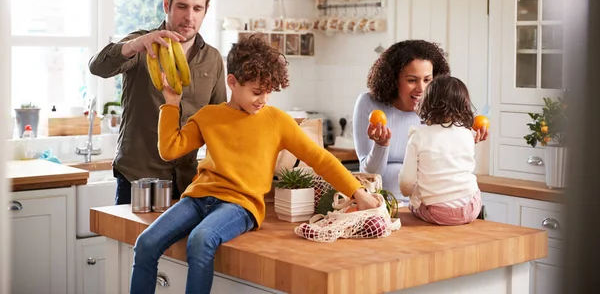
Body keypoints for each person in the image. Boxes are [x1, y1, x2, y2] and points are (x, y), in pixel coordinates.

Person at [130, 33, 380, 294]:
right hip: (198, 197)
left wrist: (357, 192)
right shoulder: (210, 116)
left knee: (200, 240)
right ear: (232, 82)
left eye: (269, 92)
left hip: (241, 205)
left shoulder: (276, 121)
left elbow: (320, 159)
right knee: (146, 243)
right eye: (257, 92)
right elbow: (169, 149)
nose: (263, 100)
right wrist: (171, 104)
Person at [88, 0, 226, 205]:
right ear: (166, 4)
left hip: (187, 184)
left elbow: (221, 122)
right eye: (182, 6)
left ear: (206, 10)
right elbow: (97, 67)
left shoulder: (212, 59)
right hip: (137, 180)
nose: (189, 16)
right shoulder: (142, 45)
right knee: (132, 244)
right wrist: (136, 45)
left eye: (197, 8)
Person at [352, 40, 488, 203]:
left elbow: (447, 166)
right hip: (383, 203)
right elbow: (368, 175)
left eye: (427, 80)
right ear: (393, 79)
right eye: (411, 80)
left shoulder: (439, 108)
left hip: (430, 204)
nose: (421, 89)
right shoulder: (369, 104)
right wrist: (381, 145)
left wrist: (463, 138)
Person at [399, 75, 482, 225]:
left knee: (414, 202)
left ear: (426, 103)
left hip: (439, 212)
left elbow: (406, 184)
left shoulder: (418, 136)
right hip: (472, 206)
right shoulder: (467, 133)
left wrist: (412, 196)